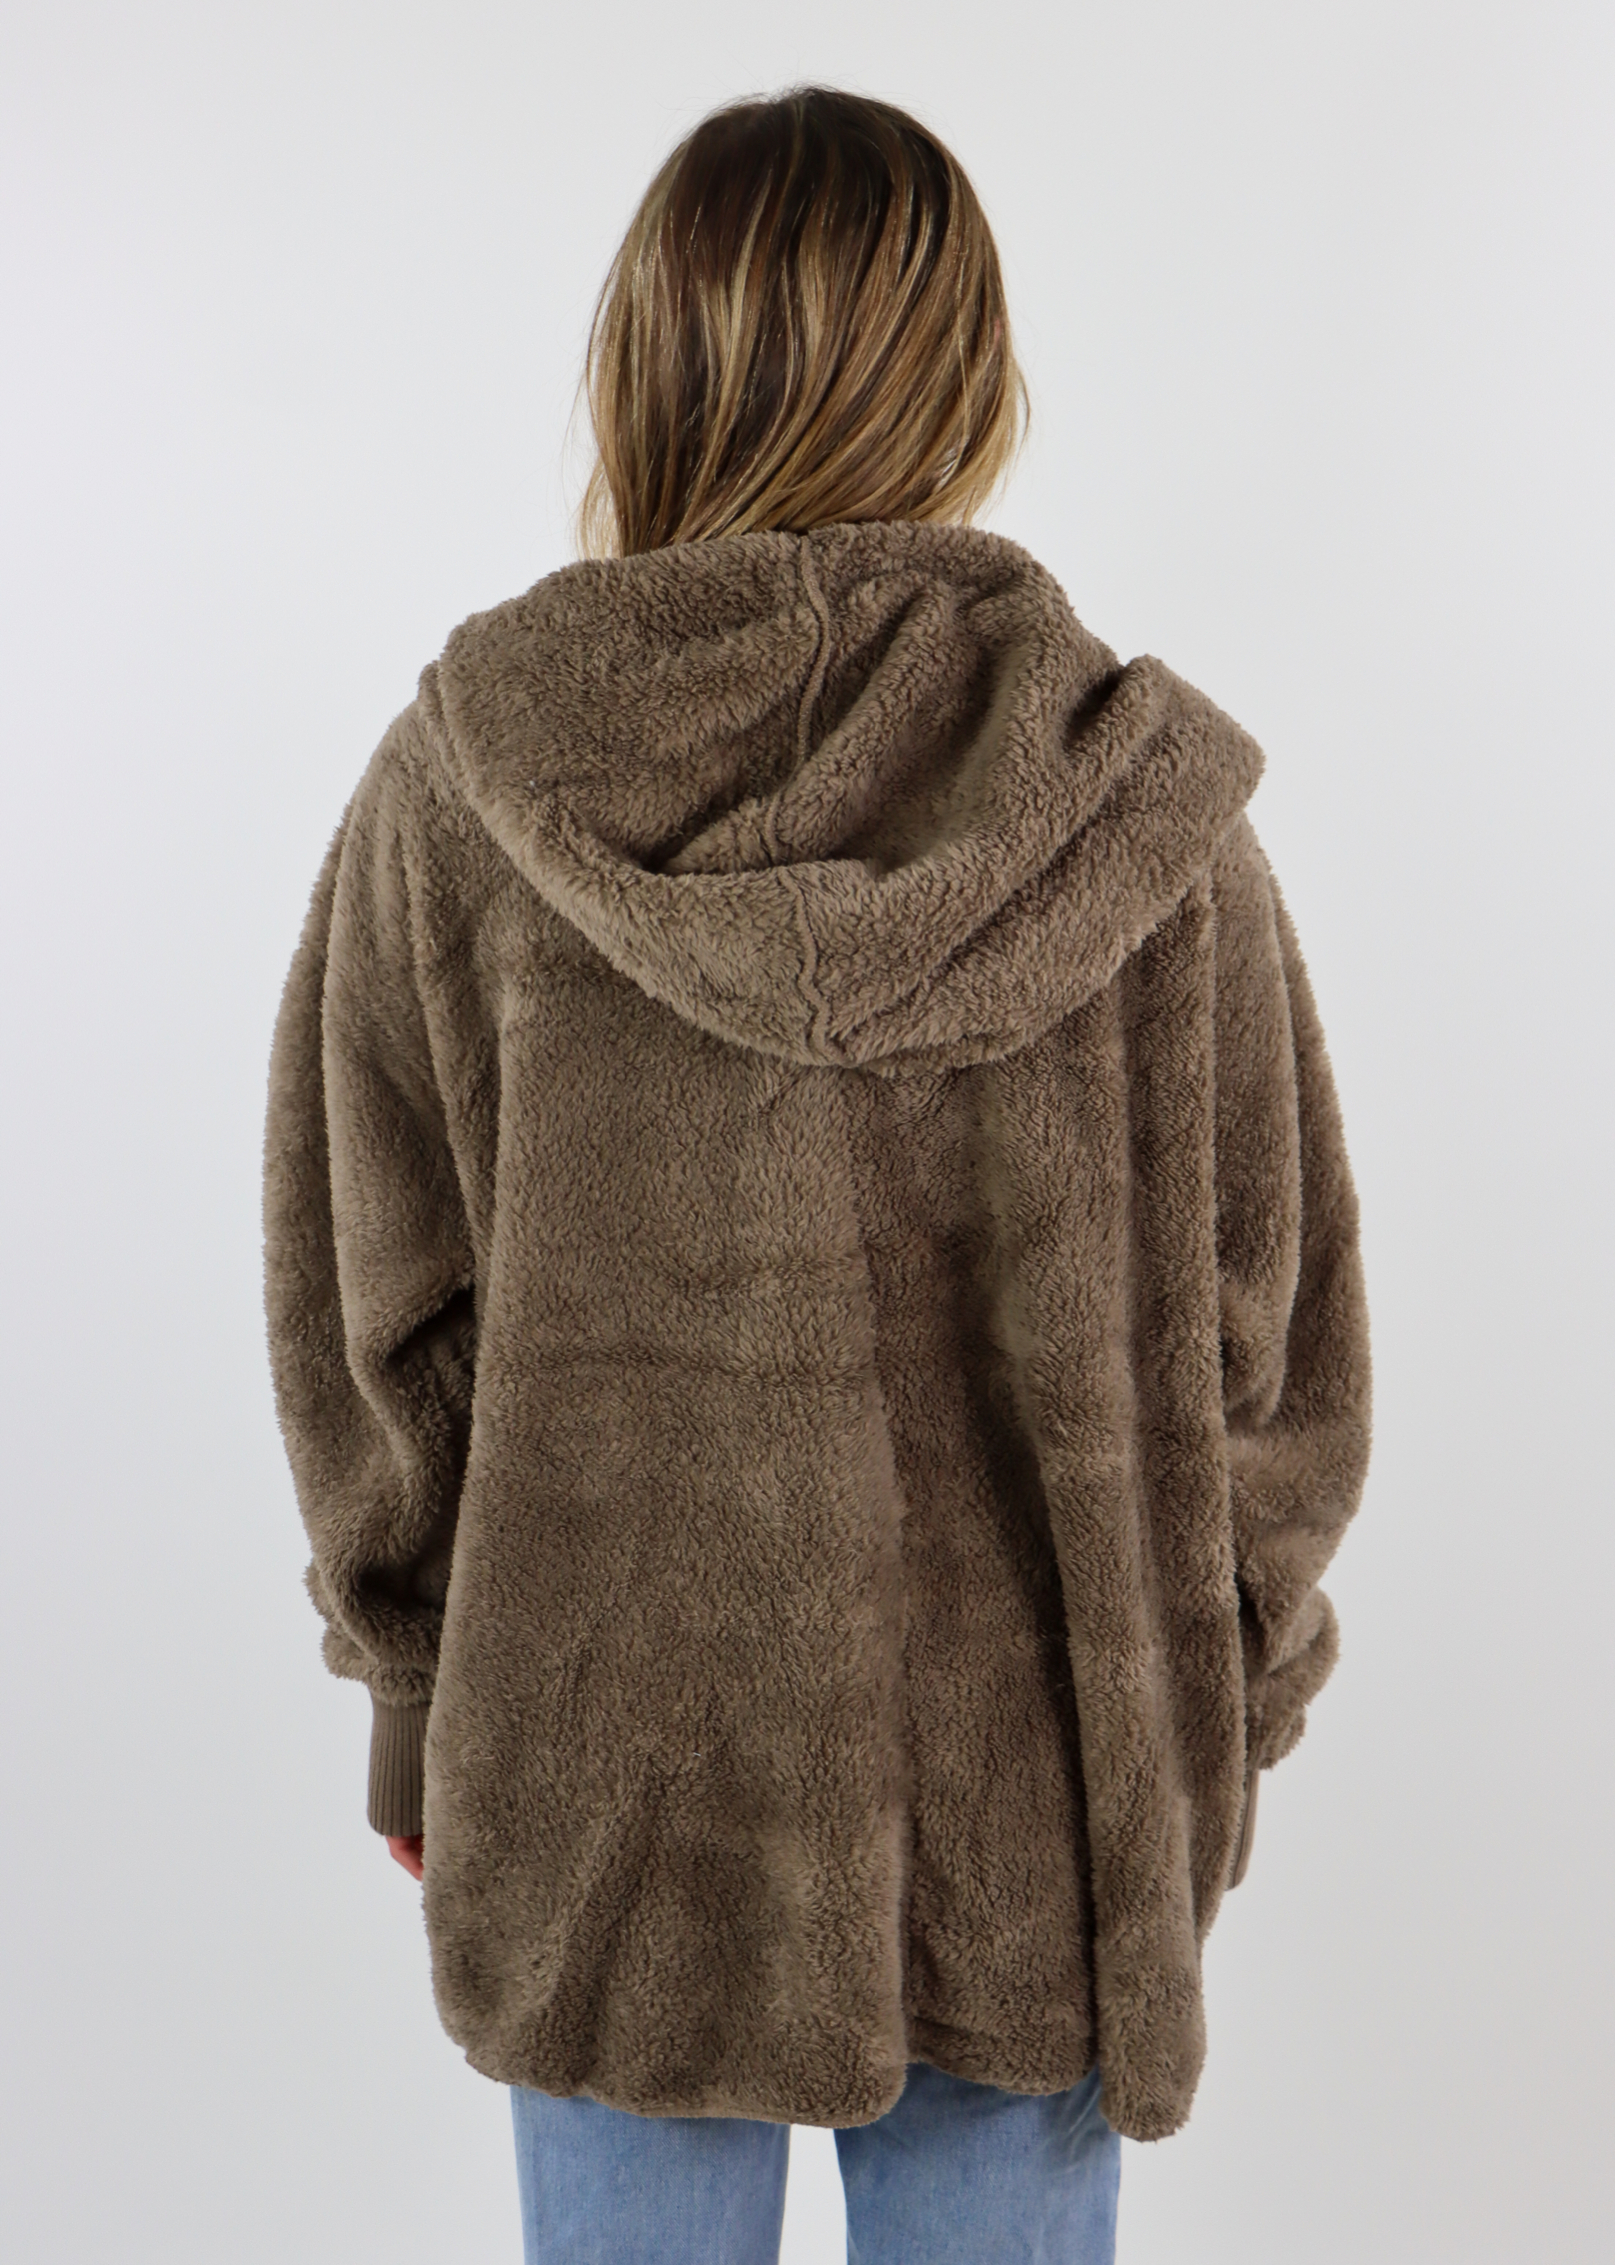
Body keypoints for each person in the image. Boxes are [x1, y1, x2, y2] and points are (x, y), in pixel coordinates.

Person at [262, 85, 1372, 2265]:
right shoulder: (1136, 819)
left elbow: (373, 1310)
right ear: (968, 375)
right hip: (1041, 1799)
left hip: (609, 1805)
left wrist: (415, 1696)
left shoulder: (465, 796)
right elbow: (1276, 1342)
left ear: (644, 364)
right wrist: (1219, 1706)